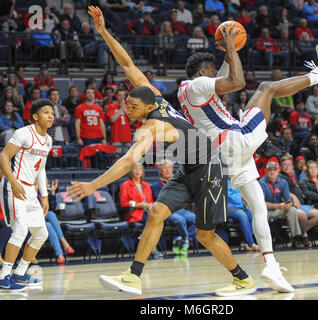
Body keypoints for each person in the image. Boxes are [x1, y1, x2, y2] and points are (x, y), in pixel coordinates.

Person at [67, 6, 255, 297]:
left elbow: (129, 160)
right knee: (155, 212)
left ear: (145, 106)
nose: (126, 111)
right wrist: (103, 32)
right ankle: (133, 276)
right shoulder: (152, 97)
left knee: (204, 236)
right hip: (187, 169)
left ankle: (242, 279)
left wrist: (93, 184)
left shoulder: (150, 126)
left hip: (209, 169)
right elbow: (128, 65)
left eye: (131, 107)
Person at [178, 22, 318, 293]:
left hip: (226, 154)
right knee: (266, 88)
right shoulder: (196, 85)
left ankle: (271, 266)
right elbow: (237, 81)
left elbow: (227, 71)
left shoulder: (191, 91)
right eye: (211, 71)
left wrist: (229, 51)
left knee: (258, 207)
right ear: (203, 73)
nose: (214, 74)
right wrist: (230, 45)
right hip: (234, 140)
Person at [0, 99, 54, 291]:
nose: (51, 116)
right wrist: (13, 182)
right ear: (35, 116)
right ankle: (4, 275)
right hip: (12, 185)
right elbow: (3, 157)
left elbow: (41, 169)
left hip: (30, 191)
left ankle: (20, 273)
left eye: (53, 114)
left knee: (41, 233)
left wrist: (45, 195)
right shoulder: (23, 133)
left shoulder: (48, 140)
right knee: (21, 229)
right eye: (47, 112)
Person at [151, 159, 196, 256]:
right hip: (167, 211)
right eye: (164, 168)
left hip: (180, 209)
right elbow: (160, 200)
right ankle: (185, 240)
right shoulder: (155, 186)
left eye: (169, 168)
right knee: (180, 220)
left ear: (172, 170)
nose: (167, 170)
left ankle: (182, 239)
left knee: (196, 218)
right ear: (160, 171)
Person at [279, 153, 318, 247]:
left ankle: (302, 234)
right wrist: (293, 196)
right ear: (281, 167)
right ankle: (300, 237)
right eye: (284, 165)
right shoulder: (280, 177)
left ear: (292, 166)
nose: (287, 167)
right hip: (290, 205)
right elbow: (281, 191)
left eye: (289, 165)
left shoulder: (292, 175)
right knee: (302, 216)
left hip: (301, 204)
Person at [259, 159, 305, 249]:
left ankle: (296, 238)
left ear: (278, 171)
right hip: (265, 211)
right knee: (261, 215)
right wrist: (279, 206)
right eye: (270, 170)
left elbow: (287, 199)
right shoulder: (261, 183)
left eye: (274, 170)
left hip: (278, 210)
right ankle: (264, 241)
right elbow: (261, 204)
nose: (272, 172)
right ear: (266, 171)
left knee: (292, 210)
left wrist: (289, 204)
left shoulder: (283, 182)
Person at [42, 179, 75, 264]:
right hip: (33, 219)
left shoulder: (44, 193)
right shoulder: (31, 194)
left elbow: (52, 207)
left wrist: (52, 192)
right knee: (50, 216)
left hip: (44, 220)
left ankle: (60, 254)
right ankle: (64, 242)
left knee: (49, 221)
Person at [227, 180, 259, 252]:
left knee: (251, 214)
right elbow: (228, 195)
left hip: (241, 205)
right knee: (243, 216)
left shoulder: (236, 179)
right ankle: (251, 243)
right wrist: (241, 197)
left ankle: (244, 242)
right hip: (229, 206)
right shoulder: (223, 181)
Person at [105, 88, 133, 155]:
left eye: (123, 95)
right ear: (116, 96)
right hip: (116, 137)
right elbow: (112, 120)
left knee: (126, 160)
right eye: (120, 95)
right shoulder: (111, 106)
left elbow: (132, 120)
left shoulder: (128, 107)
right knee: (116, 159)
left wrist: (124, 108)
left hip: (127, 137)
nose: (122, 97)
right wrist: (121, 108)